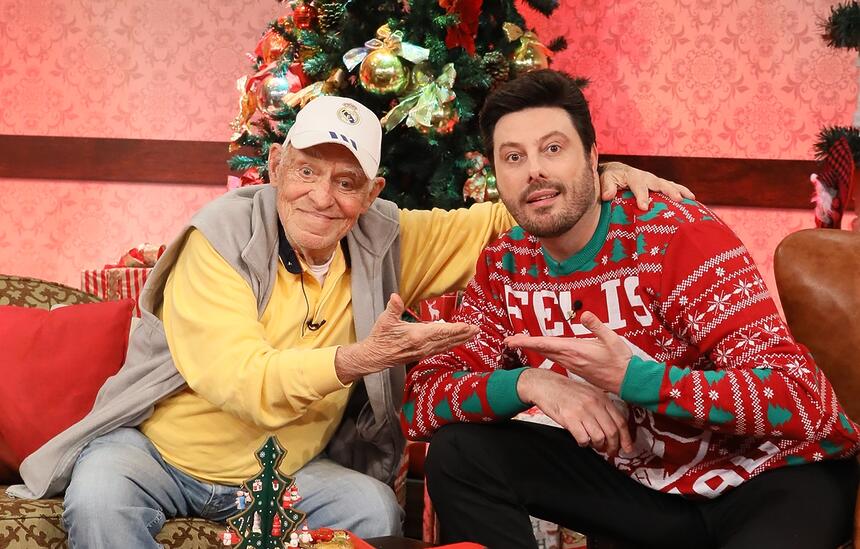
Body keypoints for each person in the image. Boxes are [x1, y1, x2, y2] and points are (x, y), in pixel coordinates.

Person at [7, 95, 684, 548]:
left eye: (346, 181)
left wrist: (598, 177)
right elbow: (241, 379)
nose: (321, 197)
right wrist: (358, 358)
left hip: (283, 467)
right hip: (160, 455)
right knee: (100, 494)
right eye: (305, 171)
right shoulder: (217, 236)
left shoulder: (383, 235)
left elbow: (495, 218)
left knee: (373, 510)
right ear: (275, 167)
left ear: (372, 193)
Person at [402, 69, 860, 549]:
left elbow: (802, 397)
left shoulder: (676, 235)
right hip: (648, 496)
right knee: (460, 453)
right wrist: (528, 382)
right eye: (513, 157)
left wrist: (635, 379)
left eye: (553, 149)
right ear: (497, 176)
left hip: (771, 480)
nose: (533, 170)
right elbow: (421, 402)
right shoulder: (505, 266)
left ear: (594, 158)